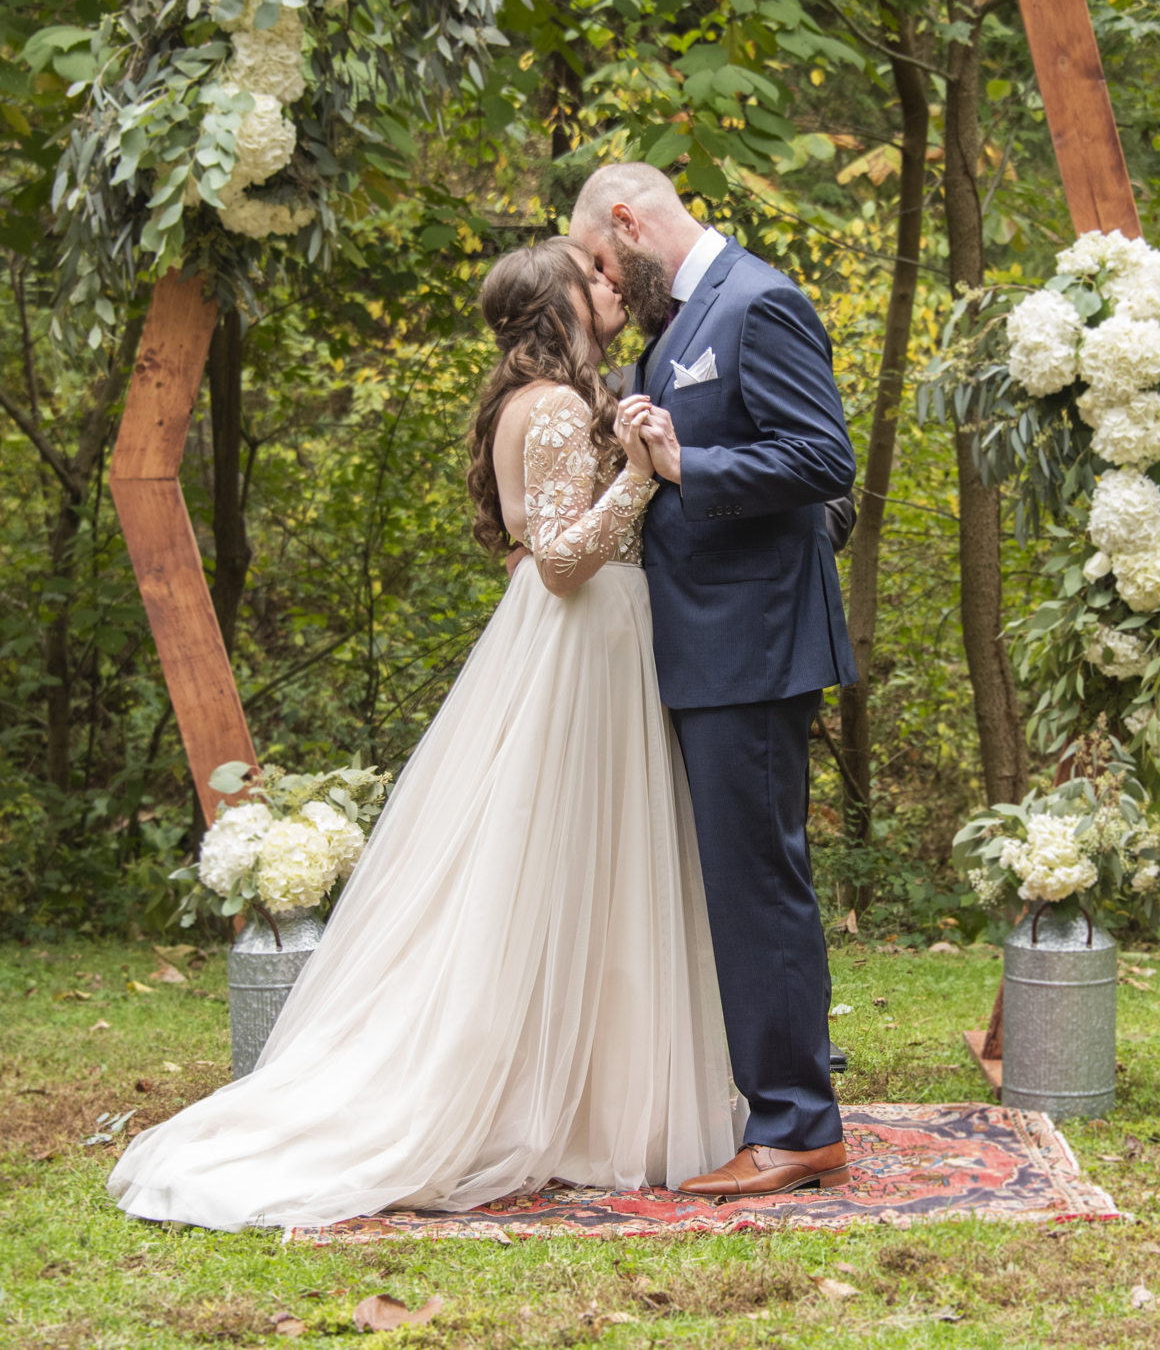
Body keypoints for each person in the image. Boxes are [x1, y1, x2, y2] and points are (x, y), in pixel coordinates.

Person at [107, 236, 737, 1230]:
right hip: (582, 643)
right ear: (561, 303)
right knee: (577, 867)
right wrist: (645, 478)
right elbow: (564, 559)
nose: (612, 286)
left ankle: (583, 1090)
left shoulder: (534, 403)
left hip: (568, 647)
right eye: (595, 276)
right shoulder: (562, 409)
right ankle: (572, 1102)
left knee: (566, 871)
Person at [569, 163, 858, 1200]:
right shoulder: (681, 322)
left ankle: (796, 1126)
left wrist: (692, 470)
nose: (604, 282)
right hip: (710, 643)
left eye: (602, 261)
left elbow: (824, 458)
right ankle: (778, 1100)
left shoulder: (757, 300)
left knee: (757, 884)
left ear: (627, 219)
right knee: (735, 885)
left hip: (753, 650)